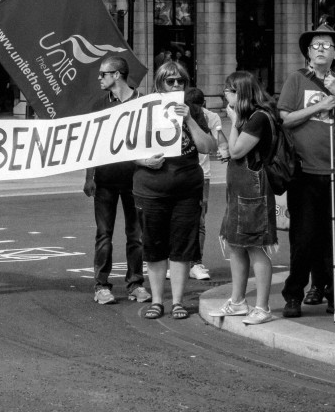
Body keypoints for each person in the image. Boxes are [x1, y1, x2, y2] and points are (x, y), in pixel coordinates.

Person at [136, 61, 214, 320]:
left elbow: (207, 146)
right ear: (160, 83)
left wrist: (189, 119)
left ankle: (178, 301)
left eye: (181, 81)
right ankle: (158, 301)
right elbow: (126, 147)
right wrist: (144, 161)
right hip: (152, 188)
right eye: (171, 81)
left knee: (182, 247)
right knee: (155, 247)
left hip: (186, 189)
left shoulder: (193, 110)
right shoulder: (145, 107)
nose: (177, 85)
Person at [277, 23, 335, 318]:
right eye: (316, 45)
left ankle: (331, 291)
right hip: (304, 171)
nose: (321, 49)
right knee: (304, 237)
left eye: (327, 45)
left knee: (332, 238)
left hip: (334, 171)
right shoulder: (297, 79)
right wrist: (319, 106)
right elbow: (286, 119)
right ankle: (293, 294)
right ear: (309, 53)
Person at [209, 71, 278, 325]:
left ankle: (262, 307)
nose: (224, 96)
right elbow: (234, 151)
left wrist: (235, 121)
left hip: (253, 190)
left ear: (240, 92)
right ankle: (238, 302)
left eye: (227, 91)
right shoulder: (251, 117)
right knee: (236, 244)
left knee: (254, 246)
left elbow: (237, 151)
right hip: (239, 190)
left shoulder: (258, 117)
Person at [83, 56, 149, 305]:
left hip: (136, 179)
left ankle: (136, 284)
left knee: (136, 235)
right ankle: (101, 286)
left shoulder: (143, 102)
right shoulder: (99, 106)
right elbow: (92, 143)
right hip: (106, 179)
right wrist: (89, 176)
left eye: (103, 74)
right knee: (104, 234)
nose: (99, 78)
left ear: (117, 75)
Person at [184, 87, 229, 281]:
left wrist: (223, 148)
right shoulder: (179, 114)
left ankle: (195, 262)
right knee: (189, 220)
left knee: (199, 220)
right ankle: (183, 262)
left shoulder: (211, 117)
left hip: (201, 174)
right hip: (186, 173)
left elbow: (217, 144)